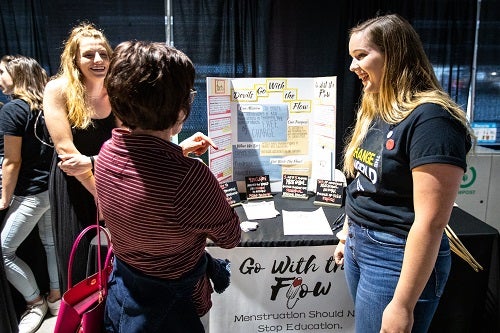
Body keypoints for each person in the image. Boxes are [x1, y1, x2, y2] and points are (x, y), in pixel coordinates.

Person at [333, 14, 474, 333]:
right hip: (361, 246)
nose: (354, 67)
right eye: (352, 58)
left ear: (395, 54)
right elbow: (363, 186)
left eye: (361, 56)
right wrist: (348, 234)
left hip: (395, 256)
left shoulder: (433, 121)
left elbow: (432, 221)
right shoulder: (378, 109)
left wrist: (402, 305)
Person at [95, 40, 241, 332]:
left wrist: (178, 153)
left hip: (124, 290)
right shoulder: (190, 178)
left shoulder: (107, 152)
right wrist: (194, 175)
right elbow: (229, 237)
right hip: (172, 306)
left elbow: (146, 180)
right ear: (179, 107)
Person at [43, 22, 116, 293]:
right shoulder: (58, 90)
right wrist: (100, 195)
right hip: (73, 185)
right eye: (88, 55)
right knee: (78, 262)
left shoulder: (115, 89)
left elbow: (122, 141)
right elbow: (66, 151)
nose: (98, 60)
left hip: (107, 179)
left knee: (111, 262)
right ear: (74, 58)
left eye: (103, 54)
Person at [0, 55, 61, 333]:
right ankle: (56, 299)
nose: (0, 79)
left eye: (2, 72)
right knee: (50, 245)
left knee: (3, 251)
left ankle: (34, 301)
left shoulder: (14, 109)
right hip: (53, 190)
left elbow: (12, 161)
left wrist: (4, 198)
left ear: (17, 74)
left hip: (30, 193)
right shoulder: (49, 108)